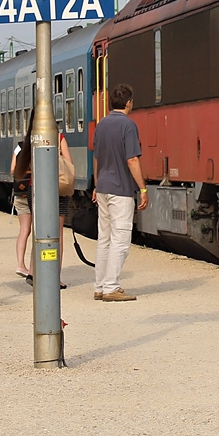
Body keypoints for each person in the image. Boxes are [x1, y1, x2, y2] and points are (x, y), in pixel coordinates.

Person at [91, 83, 149, 302]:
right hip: (121, 190)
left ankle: (100, 286)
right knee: (120, 239)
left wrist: (96, 185)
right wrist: (142, 188)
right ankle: (112, 287)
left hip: (103, 188)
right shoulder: (128, 125)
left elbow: (96, 158)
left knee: (104, 239)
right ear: (128, 103)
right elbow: (132, 159)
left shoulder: (101, 125)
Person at [11, 109, 73, 286]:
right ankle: (55, 277)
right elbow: (69, 164)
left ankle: (32, 272)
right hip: (55, 189)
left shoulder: (29, 139)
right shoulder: (58, 138)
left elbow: (18, 168)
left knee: (38, 231)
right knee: (57, 234)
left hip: (34, 188)